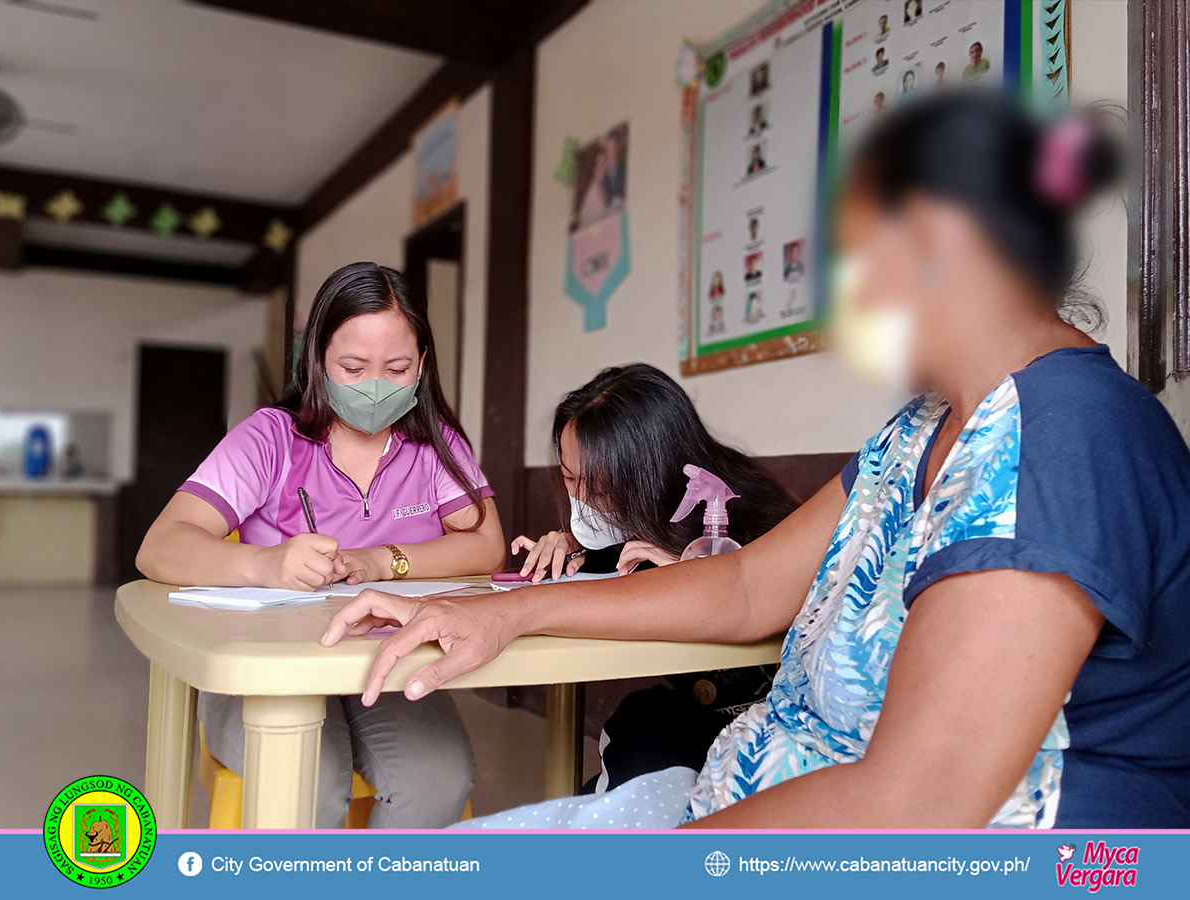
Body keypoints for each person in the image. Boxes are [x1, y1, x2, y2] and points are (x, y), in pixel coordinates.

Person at [325, 91, 1190, 830]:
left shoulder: (1065, 439)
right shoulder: (919, 431)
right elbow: (746, 588)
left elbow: (918, 804)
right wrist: (511, 614)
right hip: (744, 795)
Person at [138, 262, 506, 828]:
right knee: (309, 778)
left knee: (439, 776)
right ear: (317, 360)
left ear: (423, 366)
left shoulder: (432, 445)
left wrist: (383, 560)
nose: (376, 386)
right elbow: (160, 547)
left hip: (381, 659)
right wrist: (264, 562)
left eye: (398, 367)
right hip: (267, 665)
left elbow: (485, 546)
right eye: (353, 368)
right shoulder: (271, 439)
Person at [508, 364, 797, 790]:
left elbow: (793, 632)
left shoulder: (755, 520)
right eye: (570, 480)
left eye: (601, 490)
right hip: (686, 718)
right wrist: (569, 547)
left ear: (654, 473)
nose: (583, 504)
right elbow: (603, 569)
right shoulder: (632, 524)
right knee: (639, 738)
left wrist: (693, 580)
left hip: (773, 722)